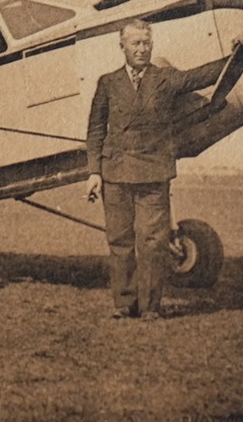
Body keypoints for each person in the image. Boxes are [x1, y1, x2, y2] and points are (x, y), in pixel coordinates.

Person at [85, 20, 220, 318]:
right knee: (119, 241)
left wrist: (240, 49)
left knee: (152, 242)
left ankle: (150, 308)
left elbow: (201, 76)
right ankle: (124, 305)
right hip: (115, 173)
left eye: (146, 43)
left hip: (153, 172)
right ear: (122, 47)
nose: (142, 49)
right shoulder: (107, 83)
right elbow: (95, 130)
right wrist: (94, 172)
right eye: (135, 43)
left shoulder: (165, 80)